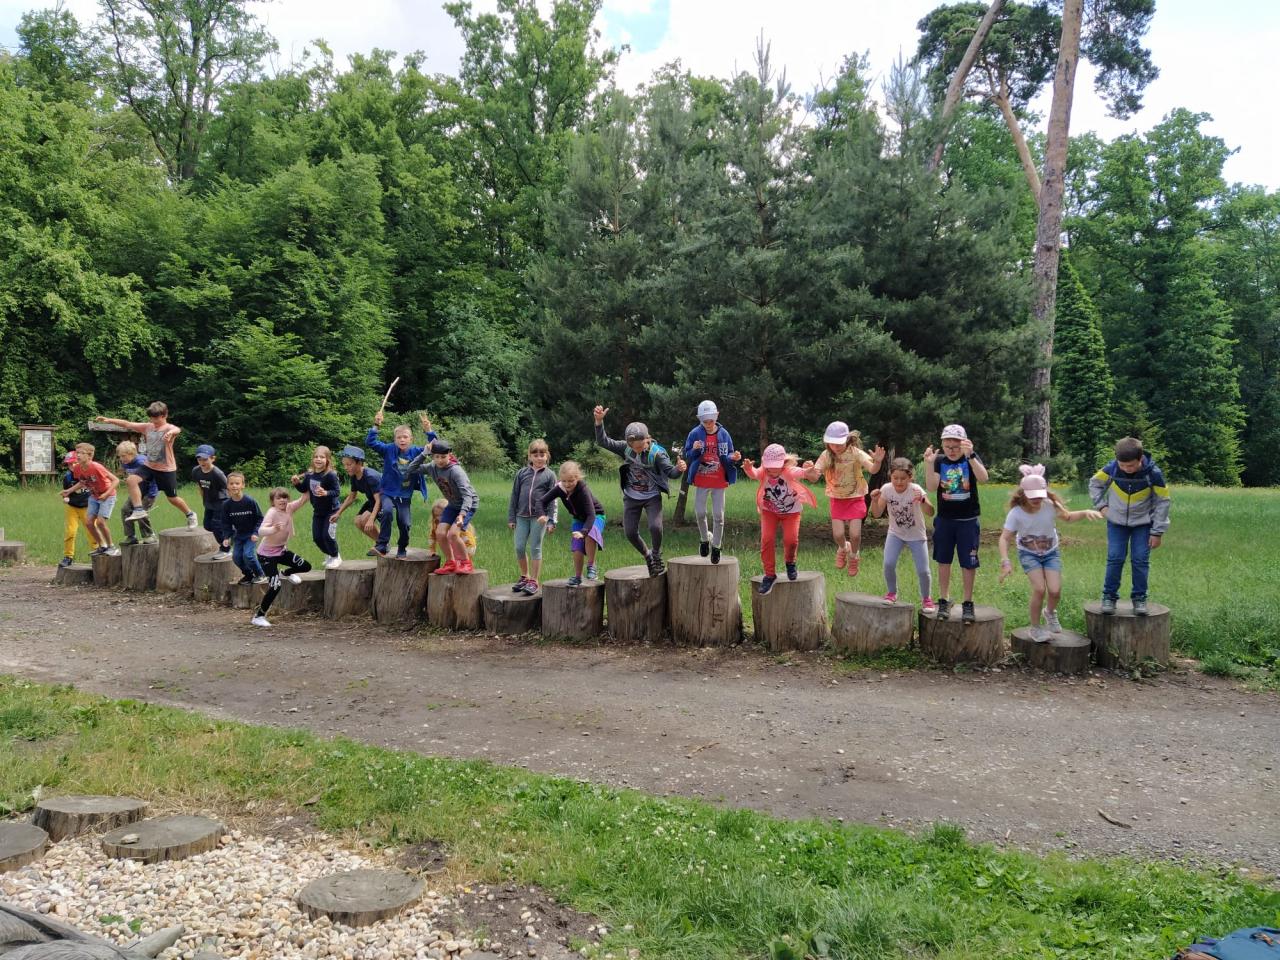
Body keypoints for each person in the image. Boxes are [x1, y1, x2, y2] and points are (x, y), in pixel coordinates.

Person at [998, 464, 1103, 639]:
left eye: (1040, 495)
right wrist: (1005, 561)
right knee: (1039, 589)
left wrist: (1085, 512)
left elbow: (1068, 517)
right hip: (1028, 554)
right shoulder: (1016, 513)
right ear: (1023, 493)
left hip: (1050, 553)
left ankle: (1049, 612)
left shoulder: (1050, 505)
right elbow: (1004, 538)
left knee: (1055, 591)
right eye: (1032, 496)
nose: (1037, 499)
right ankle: (1035, 628)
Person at [593, 404, 686, 577]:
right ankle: (647, 555)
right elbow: (603, 441)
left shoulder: (657, 454)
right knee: (630, 532)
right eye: (634, 447)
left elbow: (671, 473)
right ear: (628, 443)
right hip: (631, 497)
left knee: (655, 527)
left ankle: (656, 554)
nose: (637, 449)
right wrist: (599, 422)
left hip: (652, 496)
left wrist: (679, 468)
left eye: (640, 446)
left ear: (647, 439)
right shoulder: (625, 448)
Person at [1088, 437, 1171, 616]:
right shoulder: (1112, 468)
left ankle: (1140, 598)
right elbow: (1094, 484)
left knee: (1140, 560)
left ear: (1140, 458)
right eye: (1123, 465)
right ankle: (1109, 597)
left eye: (1131, 465)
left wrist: (1157, 532)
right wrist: (1101, 506)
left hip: (1143, 524)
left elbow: (1163, 501)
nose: (1126, 469)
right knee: (1115, 558)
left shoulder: (1153, 474)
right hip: (1116, 523)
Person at [93, 402, 198, 528]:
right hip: (150, 465)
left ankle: (190, 514)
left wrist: (171, 433)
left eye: (156, 418)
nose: (153, 421)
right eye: (151, 418)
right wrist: (109, 420)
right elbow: (127, 424)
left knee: (172, 498)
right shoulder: (147, 427)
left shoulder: (168, 428)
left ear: (164, 415)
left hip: (166, 469)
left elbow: (177, 429)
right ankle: (138, 510)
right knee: (131, 480)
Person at [924, 423, 988, 624]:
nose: (951, 451)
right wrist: (928, 464)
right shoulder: (939, 461)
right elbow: (931, 487)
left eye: (956, 447)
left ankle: (968, 602)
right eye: (948, 447)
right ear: (942, 445)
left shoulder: (970, 458)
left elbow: (984, 478)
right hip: (945, 519)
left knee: (968, 563)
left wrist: (971, 456)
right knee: (944, 560)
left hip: (968, 520)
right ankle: (944, 599)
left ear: (964, 444)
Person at [803, 421, 884, 576]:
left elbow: (873, 470)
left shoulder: (855, 453)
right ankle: (843, 547)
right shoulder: (826, 455)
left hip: (856, 498)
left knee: (855, 535)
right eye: (832, 443)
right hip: (837, 499)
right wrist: (808, 471)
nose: (835, 447)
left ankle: (854, 555)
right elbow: (814, 478)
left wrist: (878, 461)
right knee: (838, 535)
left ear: (847, 439)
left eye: (839, 443)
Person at [741, 444, 817, 596]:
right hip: (769, 511)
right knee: (767, 539)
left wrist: (808, 471)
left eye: (775, 466)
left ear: (783, 463)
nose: (772, 470)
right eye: (769, 466)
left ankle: (790, 562)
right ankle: (769, 575)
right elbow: (755, 474)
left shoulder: (788, 471)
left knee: (791, 540)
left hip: (791, 512)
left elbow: (800, 472)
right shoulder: (764, 471)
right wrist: (748, 469)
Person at [406, 432, 479, 576]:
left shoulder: (456, 471)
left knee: (453, 534)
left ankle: (466, 563)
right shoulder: (433, 467)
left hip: (468, 505)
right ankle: (451, 563)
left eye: (443, 457)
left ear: (449, 455)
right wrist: (423, 454)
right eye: (437, 457)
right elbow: (411, 469)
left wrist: (462, 515)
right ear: (433, 456)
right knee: (440, 532)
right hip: (453, 504)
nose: (440, 460)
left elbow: (468, 496)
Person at [869, 457, 935, 611]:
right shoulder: (886, 489)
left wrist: (923, 500)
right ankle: (892, 593)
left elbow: (931, 512)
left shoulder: (916, 489)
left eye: (903, 478)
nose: (899, 482)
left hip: (916, 535)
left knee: (923, 570)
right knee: (888, 563)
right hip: (895, 533)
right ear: (890, 476)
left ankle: (926, 599)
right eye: (895, 478)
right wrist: (874, 500)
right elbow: (877, 514)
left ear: (910, 477)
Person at [681, 400, 741, 565]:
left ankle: (716, 546)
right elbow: (688, 454)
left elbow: (729, 454)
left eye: (711, 421)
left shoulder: (724, 434)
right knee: (700, 513)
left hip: (719, 480)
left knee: (718, 516)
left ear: (716, 417)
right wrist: (694, 449)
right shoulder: (695, 433)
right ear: (700, 419)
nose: (708, 424)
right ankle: (704, 539)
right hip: (701, 480)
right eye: (705, 421)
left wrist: (734, 457)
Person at [366, 412, 430, 558]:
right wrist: (376, 425)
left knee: (405, 523)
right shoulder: (388, 449)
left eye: (405, 437)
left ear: (411, 439)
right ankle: (382, 545)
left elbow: (435, 447)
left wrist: (428, 430)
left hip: (405, 495)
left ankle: (402, 548)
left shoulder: (416, 451)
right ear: (394, 440)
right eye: (399, 437)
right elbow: (370, 442)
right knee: (387, 512)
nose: (402, 440)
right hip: (388, 492)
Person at [250, 488, 312, 628]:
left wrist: (309, 481)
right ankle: (259, 616)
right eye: (278, 498)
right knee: (275, 586)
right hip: (266, 555)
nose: (282, 500)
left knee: (306, 566)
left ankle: (285, 573)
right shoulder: (272, 512)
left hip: (281, 550)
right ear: (273, 501)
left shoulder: (289, 508)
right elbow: (261, 530)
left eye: (285, 497)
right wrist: (273, 529)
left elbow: (304, 499)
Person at [539, 461, 604, 586]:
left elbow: (591, 515)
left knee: (590, 534)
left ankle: (591, 566)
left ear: (577, 478)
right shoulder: (560, 489)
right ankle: (578, 576)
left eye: (571, 481)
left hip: (596, 516)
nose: (567, 484)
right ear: (560, 479)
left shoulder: (583, 489)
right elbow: (541, 501)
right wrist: (542, 514)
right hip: (578, 518)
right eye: (564, 481)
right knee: (577, 545)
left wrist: (583, 532)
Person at [508, 439, 558, 595]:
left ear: (547, 456)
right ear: (529, 456)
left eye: (542, 455)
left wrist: (551, 520)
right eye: (535, 455)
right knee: (519, 547)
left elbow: (553, 499)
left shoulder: (550, 475)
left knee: (535, 548)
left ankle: (534, 581)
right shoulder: (521, 473)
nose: (539, 458)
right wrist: (511, 517)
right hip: (521, 516)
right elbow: (514, 496)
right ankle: (525, 576)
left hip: (539, 518)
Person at [291, 445, 342, 569]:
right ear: (313, 459)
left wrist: (326, 493)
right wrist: (297, 483)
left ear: (327, 460)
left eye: (322, 457)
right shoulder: (310, 475)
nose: (318, 459)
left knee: (327, 536)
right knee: (317, 538)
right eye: (316, 457)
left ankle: (336, 556)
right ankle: (329, 554)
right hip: (318, 511)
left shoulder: (330, 475)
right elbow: (304, 489)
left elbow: (337, 492)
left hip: (332, 511)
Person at [65, 443, 120, 557]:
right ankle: (102, 546)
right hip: (94, 497)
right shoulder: (78, 468)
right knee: (89, 523)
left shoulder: (96, 467)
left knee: (100, 522)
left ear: (90, 456)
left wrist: (106, 494)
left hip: (108, 496)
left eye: (81, 453)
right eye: (77, 453)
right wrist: (69, 491)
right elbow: (82, 482)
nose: (78, 455)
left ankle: (111, 547)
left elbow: (116, 480)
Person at [221, 471, 267, 584]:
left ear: (243, 485)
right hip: (238, 535)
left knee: (248, 555)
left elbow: (260, 518)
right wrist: (226, 537)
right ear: (227, 486)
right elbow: (226, 523)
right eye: (231, 483)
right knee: (236, 558)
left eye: (237, 483)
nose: (234, 486)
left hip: (251, 535)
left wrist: (256, 533)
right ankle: (248, 575)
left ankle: (260, 574)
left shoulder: (250, 501)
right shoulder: (226, 505)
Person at [333, 446, 382, 551]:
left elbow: (379, 500)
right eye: (344, 464)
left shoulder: (371, 477)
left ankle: (383, 543)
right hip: (372, 500)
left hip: (385, 500)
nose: (346, 467)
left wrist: (371, 519)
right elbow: (352, 497)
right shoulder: (354, 476)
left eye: (349, 464)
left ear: (359, 463)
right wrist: (338, 513)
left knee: (365, 519)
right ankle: (380, 543)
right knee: (357, 521)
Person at [191, 444, 230, 559]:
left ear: (213, 458)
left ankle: (226, 549)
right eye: (199, 459)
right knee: (208, 526)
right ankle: (230, 530)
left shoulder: (217, 473)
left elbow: (229, 488)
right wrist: (204, 500)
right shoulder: (196, 471)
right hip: (209, 502)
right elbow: (200, 486)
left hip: (221, 502)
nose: (202, 462)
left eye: (205, 459)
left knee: (216, 526)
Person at [117, 441, 158, 546]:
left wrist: (151, 494)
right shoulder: (125, 463)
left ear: (132, 453)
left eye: (123, 456)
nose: (121, 459)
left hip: (148, 492)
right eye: (120, 456)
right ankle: (131, 536)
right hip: (136, 492)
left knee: (141, 512)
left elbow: (154, 476)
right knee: (125, 509)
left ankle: (149, 535)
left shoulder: (142, 462)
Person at [58, 451, 95, 566]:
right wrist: (66, 498)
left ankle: (97, 553)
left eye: (74, 463)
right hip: (72, 508)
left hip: (87, 507)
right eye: (69, 464)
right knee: (70, 532)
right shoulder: (67, 477)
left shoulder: (88, 474)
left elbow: (96, 487)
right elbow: (66, 493)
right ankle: (68, 557)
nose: (72, 466)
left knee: (92, 531)